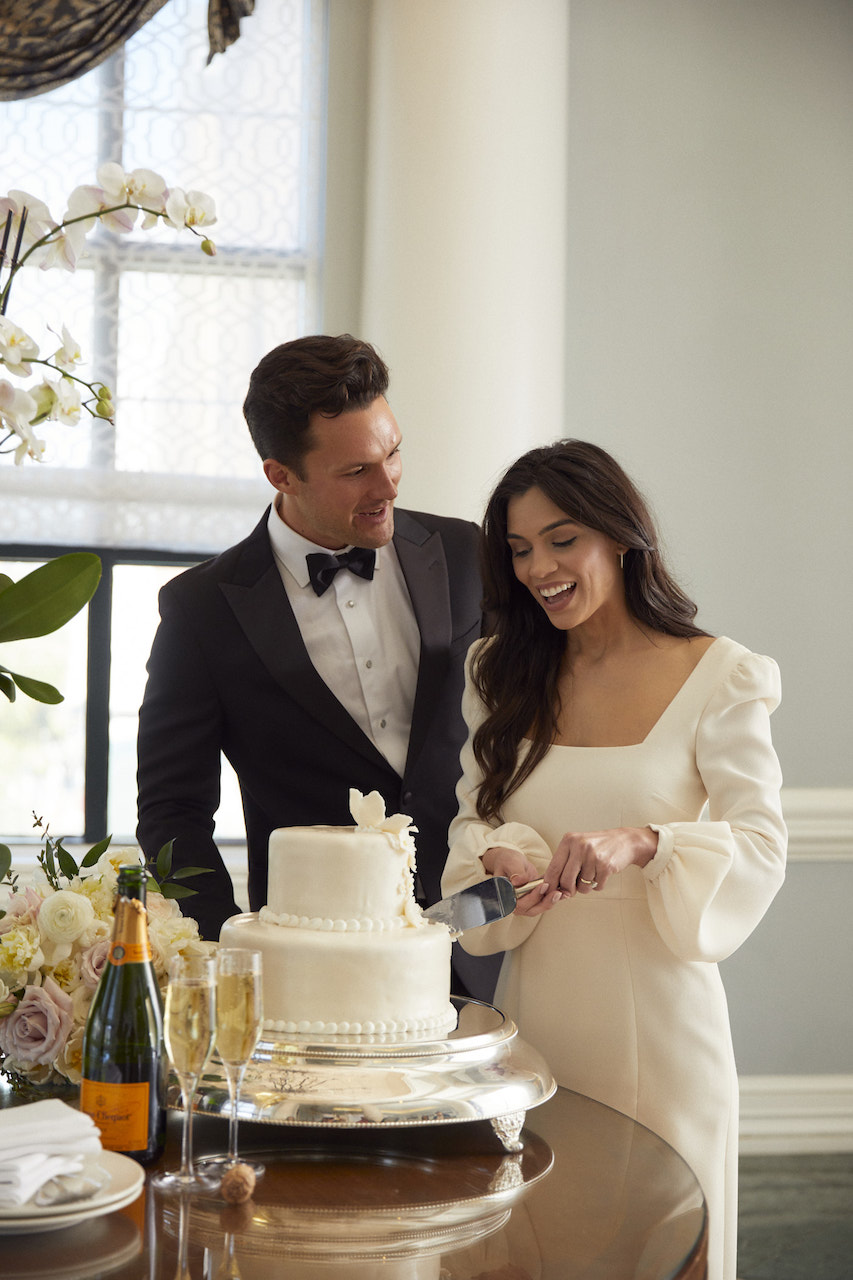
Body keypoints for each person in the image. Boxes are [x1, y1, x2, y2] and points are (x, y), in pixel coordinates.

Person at [440, 439, 787, 1280]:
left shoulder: (720, 675)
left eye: (561, 540)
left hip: (664, 1036)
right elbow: (465, 884)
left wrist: (646, 841)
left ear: (620, 536)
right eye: (519, 550)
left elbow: (760, 845)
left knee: (662, 1252)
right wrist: (499, 865)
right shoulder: (499, 671)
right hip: (537, 1030)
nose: (538, 568)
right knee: (541, 1245)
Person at [136, 333, 498, 999]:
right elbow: (172, 813)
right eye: (356, 471)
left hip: (484, 943)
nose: (388, 483)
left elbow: (527, 726)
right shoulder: (201, 610)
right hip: (310, 976)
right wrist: (225, 956)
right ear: (281, 475)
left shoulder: (461, 551)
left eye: (392, 453)